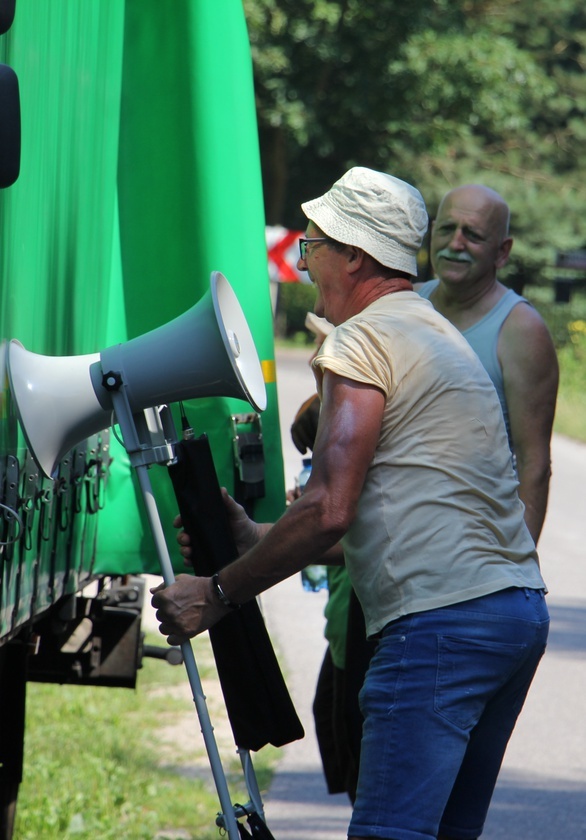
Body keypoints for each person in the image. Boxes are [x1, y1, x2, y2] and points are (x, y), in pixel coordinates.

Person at [152, 166, 549, 840]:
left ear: (355, 255)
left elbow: (331, 506)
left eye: (312, 247)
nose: (306, 265)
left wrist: (216, 593)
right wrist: (256, 536)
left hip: (441, 627)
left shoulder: (361, 340)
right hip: (512, 616)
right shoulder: (434, 334)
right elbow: (394, 521)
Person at [416, 185, 559, 545]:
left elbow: (534, 463)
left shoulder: (520, 330)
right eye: (447, 229)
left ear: (503, 252)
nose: (456, 244)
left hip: (474, 547)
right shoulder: (407, 303)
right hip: (391, 545)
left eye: (474, 235)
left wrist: (520, 561)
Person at [290, 311, 368, 804]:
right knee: (331, 717)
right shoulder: (326, 408)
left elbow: (334, 526)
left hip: (358, 622)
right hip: (344, 624)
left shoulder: (350, 411)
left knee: (356, 743)